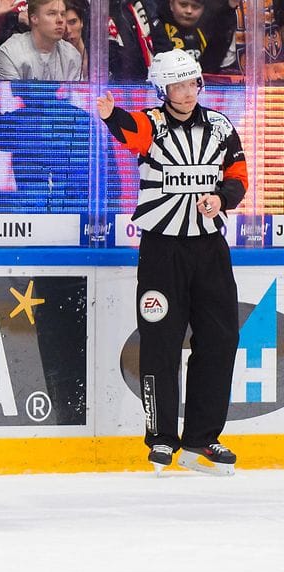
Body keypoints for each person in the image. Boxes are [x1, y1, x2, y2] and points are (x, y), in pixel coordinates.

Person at [97, 49, 247, 477]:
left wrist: (222, 198)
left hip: (210, 248)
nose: (187, 92)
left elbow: (238, 176)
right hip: (162, 250)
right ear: (162, 90)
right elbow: (131, 131)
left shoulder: (220, 125)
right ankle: (162, 438)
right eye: (178, 85)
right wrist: (111, 115)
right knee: (161, 341)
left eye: (193, 83)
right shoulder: (153, 123)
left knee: (220, 340)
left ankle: (203, 438)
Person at [0, 0, 82, 80]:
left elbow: (76, 96)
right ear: (34, 18)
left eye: (62, 14)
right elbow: (10, 97)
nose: (60, 20)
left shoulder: (72, 55)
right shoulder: (10, 53)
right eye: (52, 13)